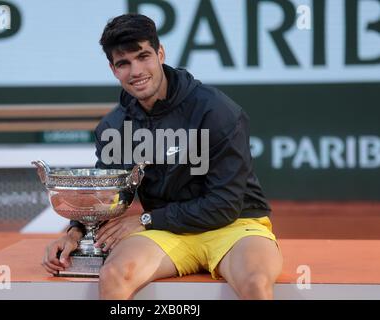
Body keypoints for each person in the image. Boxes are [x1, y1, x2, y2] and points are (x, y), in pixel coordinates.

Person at [42, 13, 283, 300]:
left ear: (160, 53)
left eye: (143, 56)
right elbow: (106, 196)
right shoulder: (114, 127)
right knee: (114, 276)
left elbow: (225, 204)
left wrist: (145, 220)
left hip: (235, 226)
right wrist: (75, 233)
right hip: (166, 234)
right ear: (113, 70)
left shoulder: (217, 111)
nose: (136, 71)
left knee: (255, 283)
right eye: (124, 63)